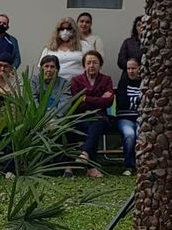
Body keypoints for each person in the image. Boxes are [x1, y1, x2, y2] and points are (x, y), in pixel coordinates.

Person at [70, 50, 114, 178]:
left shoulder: (106, 80)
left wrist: (86, 98)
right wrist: (99, 99)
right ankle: (90, 166)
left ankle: (85, 152)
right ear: (84, 65)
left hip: (101, 119)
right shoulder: (76, 80)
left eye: (95, 62)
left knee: (97, 122)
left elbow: (109, 102)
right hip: (81, 119)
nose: (91, 65)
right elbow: (76, 102)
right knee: (94, 126)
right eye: (88, 62)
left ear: (100, 64)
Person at [116, 58, 142, 176]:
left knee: (140, 133)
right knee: (129, 134)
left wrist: (131, 100)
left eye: (133, 68)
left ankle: (141, 164)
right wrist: (138, 100)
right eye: (128, 68)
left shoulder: (145, 83)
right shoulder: (123, 83)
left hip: (141, 118)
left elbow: (147, 102)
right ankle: (129, 165)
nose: (131, 71)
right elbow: (122, 103)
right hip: (125, 118)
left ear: (140, 68)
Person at [41, 17, 89, 81]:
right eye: (62, 29)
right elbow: (41, 68)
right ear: (57, 31)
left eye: (68, 29)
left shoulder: (83, 45)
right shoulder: (49, 48)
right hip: (54, 84)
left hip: (78, 83)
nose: (65, 31)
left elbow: (91, 64)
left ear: (74, 30)